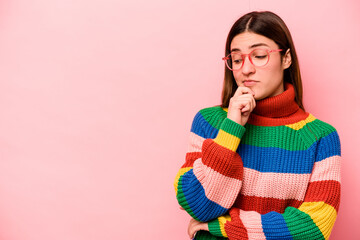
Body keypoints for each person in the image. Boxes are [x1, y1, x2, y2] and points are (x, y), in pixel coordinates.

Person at [174, 11, 341, 240]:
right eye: (237, 59)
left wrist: (221, 227)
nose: (246, 69)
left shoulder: (321, 137)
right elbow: (199, 206)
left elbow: (313, 228)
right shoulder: (209, 122)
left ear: (286, 58)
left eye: (260, 55)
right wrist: (231, 130)